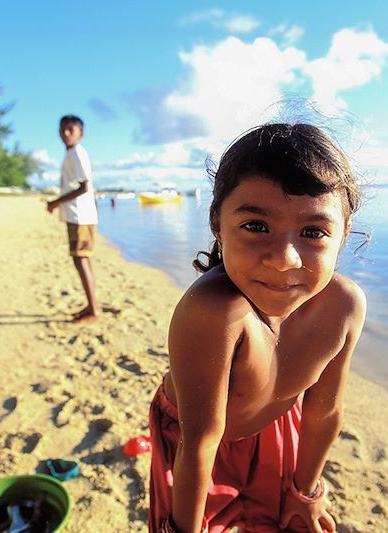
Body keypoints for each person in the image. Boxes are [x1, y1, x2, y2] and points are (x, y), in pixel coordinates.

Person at [149, 122, 367, 533]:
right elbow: (199, 441)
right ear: (217, 223)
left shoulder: (344, 307)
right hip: (194, 436)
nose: (285, 258)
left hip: (275, 423)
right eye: (255, 226)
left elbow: (323, 412)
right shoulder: (214, 313)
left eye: (313, 232)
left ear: (343, 234)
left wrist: (305, 493)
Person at [46, 115, 100, 323]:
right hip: (77, 215)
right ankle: (91, 305)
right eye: (63, 129)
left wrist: (55, 202)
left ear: (80, 133)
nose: (66, 133)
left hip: (80, 215)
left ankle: (94, 310)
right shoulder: (70, 153)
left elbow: (84, 186)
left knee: (81, 259)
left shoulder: (77, 152)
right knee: (83, 259)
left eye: (71, 129)